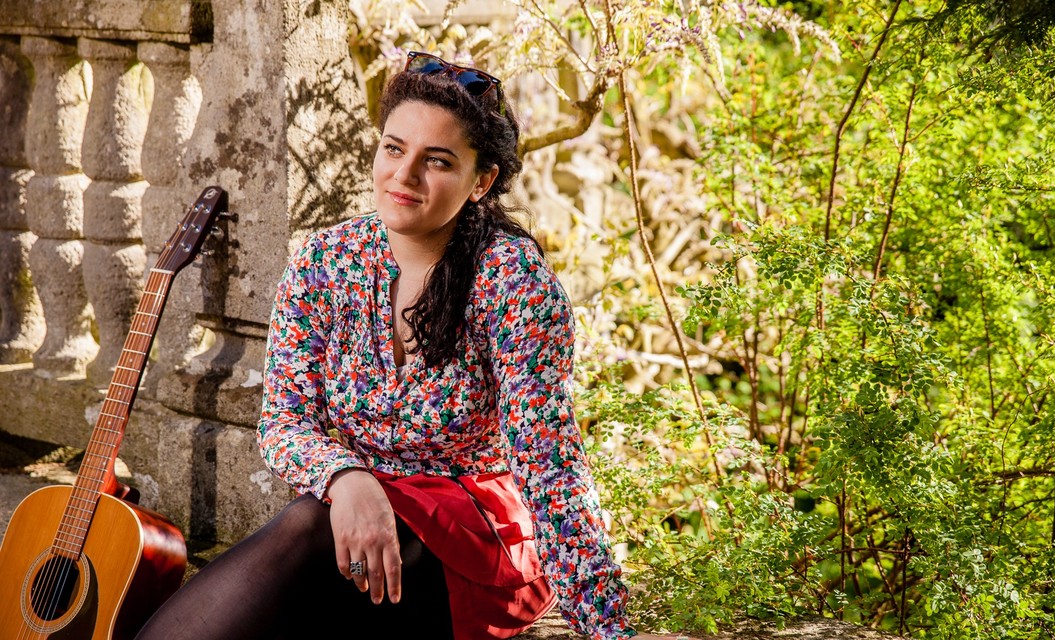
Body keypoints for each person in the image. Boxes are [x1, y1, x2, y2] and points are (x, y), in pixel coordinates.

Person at [136, 52, 688, 640]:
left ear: (482, 182)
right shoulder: (325, 260)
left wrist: (607, 627)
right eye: (393, 149)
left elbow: (548, 465)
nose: (403, 176)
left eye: (437, 161)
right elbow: (283, 422)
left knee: (304, 532)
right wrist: (347, 478)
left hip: (469, 542)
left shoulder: (514, 283)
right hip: (352, 521)